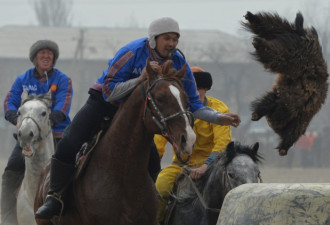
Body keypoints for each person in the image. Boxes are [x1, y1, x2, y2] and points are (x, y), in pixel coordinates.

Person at [35, 17, 241, 219]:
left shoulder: (178, 61)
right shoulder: (132, 52)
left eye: (175, 39)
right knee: (69, 143)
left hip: (136, 112)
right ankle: (55, 197)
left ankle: (148, 200)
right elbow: (108, 90)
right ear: (153, 39)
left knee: (151, 158)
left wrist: (219, 118)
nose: (171, 44)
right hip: (104, 104)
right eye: (167, 38)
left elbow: (194, 104)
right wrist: (140, 79)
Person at [1, 40, 73, 225]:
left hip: (57, 135)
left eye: (50, 53)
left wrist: (51, 119)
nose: (46, 56)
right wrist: (13, 117)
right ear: (35, 58)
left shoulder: (63, 79)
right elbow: (11, 99)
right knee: (11, 171)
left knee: (75, 167)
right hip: (28, 137)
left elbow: (63, 103)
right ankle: (8, 217)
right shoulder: (23, 79)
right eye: (42, 53)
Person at [154, 66, 232, 223]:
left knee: (233, 190)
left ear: (206, 89)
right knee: (160, 187)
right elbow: (159, 143)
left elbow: (223, 144)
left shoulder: (219, 109)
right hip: (180, 166)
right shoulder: (174, 112)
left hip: (213, 168)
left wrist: (205, 166)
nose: (195, 94)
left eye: (199, 89)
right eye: (191, 91)